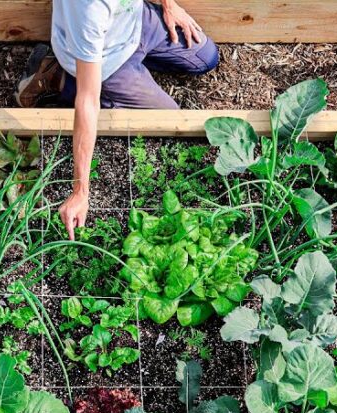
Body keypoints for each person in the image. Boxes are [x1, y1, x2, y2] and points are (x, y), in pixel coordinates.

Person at [15, 0, 220, 239]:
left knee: (207, 57)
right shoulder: (88, 10)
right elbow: (88, 101)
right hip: (104, 60)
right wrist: (80, 191)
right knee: (167, 115)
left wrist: (169, 5)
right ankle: (59, 77)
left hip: (134, 23)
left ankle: (137, 62)